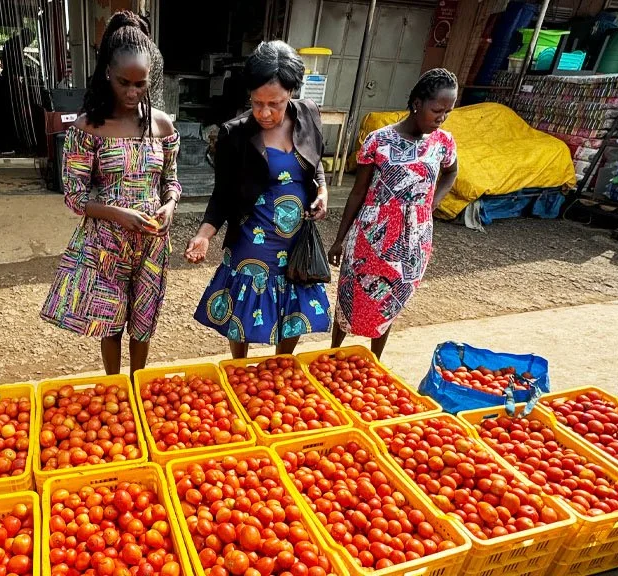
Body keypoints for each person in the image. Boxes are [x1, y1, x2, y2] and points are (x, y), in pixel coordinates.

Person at [40, 11, 180, 377]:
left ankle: (137, 383)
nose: (133, 93)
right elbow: (74, 196)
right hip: (107, 243)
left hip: (152, 241)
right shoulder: (89, 128)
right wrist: (119, 214)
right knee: (111, 321)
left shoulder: (163, 125)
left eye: (141, 84)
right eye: (124, 83)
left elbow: (171, 181)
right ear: (107, 75)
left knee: (144, 321)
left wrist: (169, 205)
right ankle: (115, 385)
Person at [185, 40, 330, 359]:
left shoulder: (309, 114)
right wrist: (204, 235)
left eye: (274, 104)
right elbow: (222, 193)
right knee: (243, 312)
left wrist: (322, 190)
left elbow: (315, 161)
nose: (265, 112)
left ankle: (282, 363)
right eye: (257, 103)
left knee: (293, 307)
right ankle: (239, 367)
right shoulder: (234, 134)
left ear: (292, 92)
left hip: (295, 240)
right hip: (253, 239)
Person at [328, 68, 459, 358]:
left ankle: (375, 361)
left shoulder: (443, 142)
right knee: (350, 296)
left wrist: (432, 203)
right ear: (417, 103)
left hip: (414, 240)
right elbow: (358, 192)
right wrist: (339, 240)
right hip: (371, 236)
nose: (441, 118)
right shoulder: (378, 140)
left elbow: (451, 171)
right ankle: (332, 354)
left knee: (390, 303)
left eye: (447, 112)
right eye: (437, 110)